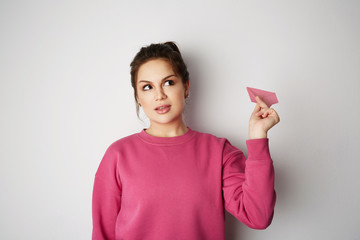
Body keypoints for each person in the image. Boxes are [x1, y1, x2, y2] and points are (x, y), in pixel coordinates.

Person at [92, 41, 280, 240]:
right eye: (147, 87)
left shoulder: (219, 152)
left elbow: (258, 217)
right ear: (138, 97)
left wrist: (258, 138)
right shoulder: (118, 155)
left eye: (169, 82)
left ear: (186, 87)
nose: (160, 95)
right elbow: (103, 233)